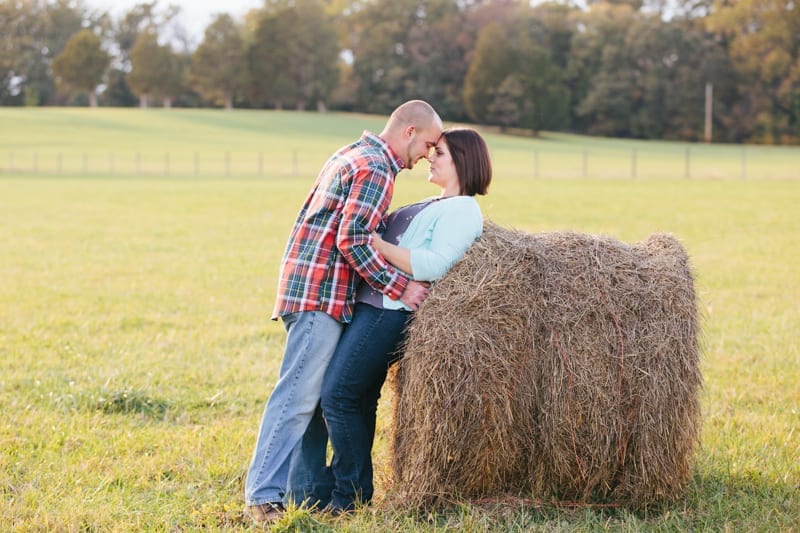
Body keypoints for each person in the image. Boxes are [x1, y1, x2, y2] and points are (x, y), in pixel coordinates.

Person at [243, 101, 443, 526]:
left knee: (308, 398)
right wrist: (400, 286)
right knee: (296, 398)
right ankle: (262, 496)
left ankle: (300, 494)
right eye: (427, 144)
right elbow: (353, 239)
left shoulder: (353, 152)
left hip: (306, 288)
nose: (426, 155)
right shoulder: (377, 169)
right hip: (321, 294)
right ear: (408, 131)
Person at [318, 127, 493, 514]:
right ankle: (352, 494)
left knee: (338, 394)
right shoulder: (436, 202)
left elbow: (433, 264)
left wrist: (377, 244)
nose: (431, 157)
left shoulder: (463, 209)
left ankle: (347, 496)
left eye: (441, 153)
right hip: (374, 305)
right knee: (357, 398)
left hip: (388, 312)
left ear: (464, 161)